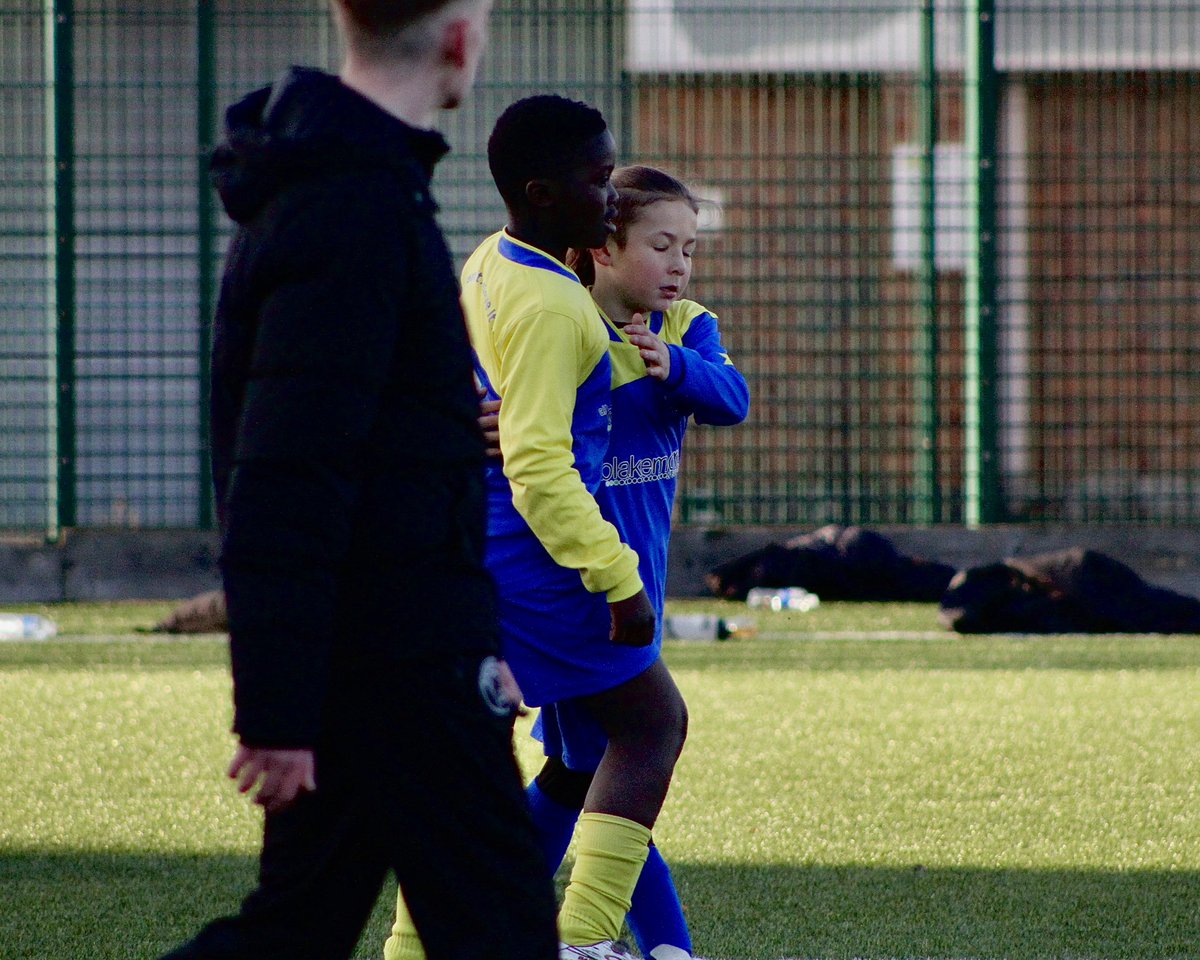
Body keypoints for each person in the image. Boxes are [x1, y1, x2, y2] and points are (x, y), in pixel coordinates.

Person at [160, 3, 558, 960]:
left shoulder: (341, 191)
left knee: (297, 928)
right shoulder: (354, 209)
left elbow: (338, 436)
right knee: (497, 926)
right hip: (398, 660)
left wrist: (436, 434)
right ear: (461, 41)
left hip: (380, 645)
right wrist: (277, 712)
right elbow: (288, 474)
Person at [383, 96, 683, 960]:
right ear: (545, 193)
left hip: (482, 549)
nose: (614, 198)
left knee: (519, 760)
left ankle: (415, 949)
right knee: (652, 724)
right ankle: (586, 939)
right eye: (600, 181)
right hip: (543, 563)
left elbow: (486, 393)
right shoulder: (554, 304)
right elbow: (542, 468)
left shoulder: (489, 261)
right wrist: (618, 579)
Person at [527, 164, 750, 960]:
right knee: (629, 759)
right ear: (602, 248)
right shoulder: (565, 327)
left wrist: (677, 368)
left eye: (690, 247)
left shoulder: (687, 327)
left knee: (582, 774)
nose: (681, 265)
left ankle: (475, 920)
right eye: (663, 245)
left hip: (636, 592)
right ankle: (648, 947)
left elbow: (733, 398)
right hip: (577, 591)